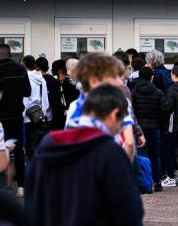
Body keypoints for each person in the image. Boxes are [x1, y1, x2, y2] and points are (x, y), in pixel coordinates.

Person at [24, 84, 144, 226]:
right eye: (121, 122)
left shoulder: (47, 145)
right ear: (113, 114)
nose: (119, 128)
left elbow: (33, 200)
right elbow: (129, 210)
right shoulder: (109, 152)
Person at [131, 66, 169, 192]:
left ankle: (144, 182)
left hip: (140, 128)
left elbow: (132, 111)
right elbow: (165, 110)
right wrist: (160, 123)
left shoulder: (134, 92)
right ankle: (157, 181)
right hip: (154, 127)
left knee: (142, 156)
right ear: (151, 77)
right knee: (155, 155)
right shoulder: (158, 92)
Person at [0, 44, 31, 197]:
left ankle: (2, 186)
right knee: (18, 151)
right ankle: (21, 186)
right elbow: (28, 92)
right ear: (10, 54)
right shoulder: (20, 69)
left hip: (1, 117)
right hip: (16, 116)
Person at [162, 65, 178, 187]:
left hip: (173, 124)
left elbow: (168, 107)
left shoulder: (171, 89)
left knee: (170, 150)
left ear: (173, 74)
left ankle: (171, 176)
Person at [22, 55, 51, 159]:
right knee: (38, 149)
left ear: (23, 65)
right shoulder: (41, 79)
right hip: (40, 117)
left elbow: (25, 99)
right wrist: (44, 114)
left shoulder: (25, 78)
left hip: (27, 118)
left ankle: (33, 169)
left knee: (29, 149)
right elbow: (45, 101)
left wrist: (21, 116)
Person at [37, 57, 66, 131]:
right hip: (51, 116)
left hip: (37, 116)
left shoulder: (36, 80)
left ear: (36, 67)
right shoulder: (54, 81)